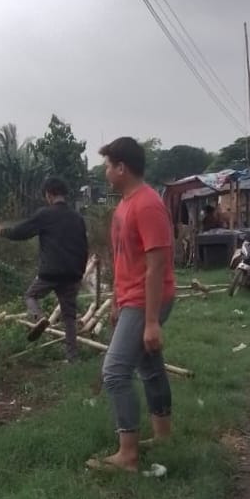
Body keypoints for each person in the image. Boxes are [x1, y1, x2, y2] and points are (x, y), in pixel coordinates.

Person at [86, 137, 175, 473]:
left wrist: (151, 321)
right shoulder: (124, 204)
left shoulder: (148, 205)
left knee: (115, 371)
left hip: (147, 300)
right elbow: (126, 261)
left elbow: (156, 266)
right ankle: (163, 434)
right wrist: (115, 301)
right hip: (132, 299)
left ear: (122, 168)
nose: (105, 170)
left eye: (108, 165)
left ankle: (128, 454)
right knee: (149, 366)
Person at [0, 177, 89, 363]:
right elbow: (84, 247)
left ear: (49, 195)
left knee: (30, 296)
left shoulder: (45, 214)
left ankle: (39, 317)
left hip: (50, 272)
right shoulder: (77, 217)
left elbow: (21, 232)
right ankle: (72, 358)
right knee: (69, 316)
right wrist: (80, 272)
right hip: (72, 273)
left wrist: (1, 231)